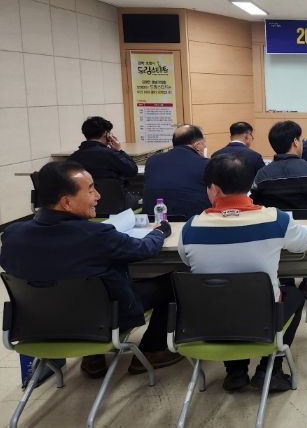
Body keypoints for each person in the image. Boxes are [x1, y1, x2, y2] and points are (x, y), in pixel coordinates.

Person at [0, 161, 181, 378]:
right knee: (174, 282)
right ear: (67, 202)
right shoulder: (96, 236)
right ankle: (153, 351)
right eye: (91, 190)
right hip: (102, 320)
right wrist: (159, 232)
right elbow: (144, 248)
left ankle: (93, 359)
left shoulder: (12, 236)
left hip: (40, 324)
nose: (98, 196)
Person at [178, 154, 307, 393]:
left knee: (224, 294)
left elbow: (186, 260)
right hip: (262, 321)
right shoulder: (276, 220)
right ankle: (269, 370)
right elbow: (302, 244)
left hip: (207, 322)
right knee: (294, 295)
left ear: (214, 189)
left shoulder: (191, 227)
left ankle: (236, 372)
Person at [252, 120, 307, 215]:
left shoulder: (262, 175)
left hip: (275, 224)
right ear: (295, 142)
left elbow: (255, 206)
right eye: (301, 140)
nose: (302, 144)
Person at [67, 116, 139, 207]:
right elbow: (132, 170)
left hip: (86, 206)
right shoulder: (111, 154)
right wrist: (119, 150)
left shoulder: (72, 159)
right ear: (106, 134)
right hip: (117, 203)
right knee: (140, 198)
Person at [142, 125, 210, 219]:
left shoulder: (152, 161)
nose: (205, 146)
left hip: (153, 220)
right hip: (191, 221)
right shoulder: (205, 164)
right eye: (204, 143)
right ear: (197, 145)